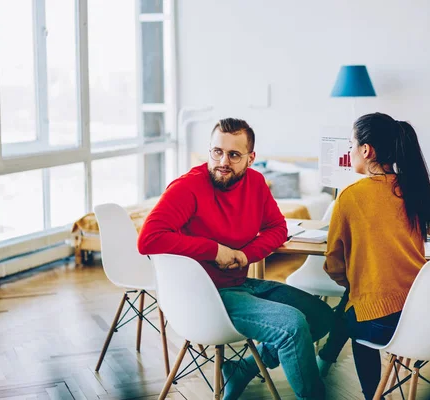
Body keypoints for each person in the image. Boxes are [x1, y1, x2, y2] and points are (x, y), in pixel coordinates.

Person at [138, 118, 332, 400]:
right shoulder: (187, 187)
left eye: (234, 154)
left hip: (239, 285)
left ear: (251, 158)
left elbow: (277, 227)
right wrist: (214, 249)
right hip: (205, 296)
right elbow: (148, 239)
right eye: (217, 151)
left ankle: (243, 368)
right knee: (291, 326)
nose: (223, 161)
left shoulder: (255, 183)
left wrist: (245, 254)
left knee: (321, 316)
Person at [323, 112, 430, 399]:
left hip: (381, 323)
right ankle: (324, 362)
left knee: (343, 314)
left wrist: (351, 281)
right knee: (353, 303)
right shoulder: (411, 188)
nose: (350, 152)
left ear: (366, 150)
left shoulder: (350, 197)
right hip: (424, 312)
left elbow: (333, 265)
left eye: (351, 144)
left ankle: (366, 391)